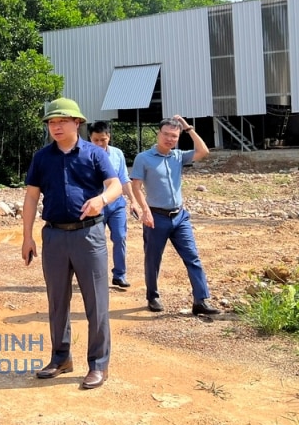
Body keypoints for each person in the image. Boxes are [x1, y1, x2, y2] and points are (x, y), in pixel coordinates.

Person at [21, 98, 122, 389]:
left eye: (61, 121)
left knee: (96, 303)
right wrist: (27, 236)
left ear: (77, 122)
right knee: (57, 301)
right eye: (51, 122)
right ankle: (61, 357)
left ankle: (98, 365)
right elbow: (31, 197)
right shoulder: (42, 158)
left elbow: (114, 186)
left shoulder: (94, 154)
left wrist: (101, 200)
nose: (55, 126)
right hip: (53, 236)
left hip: (88, 236)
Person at [130, 116, 221, 316]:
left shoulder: (178, 156)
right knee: (153, 259)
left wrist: (188, 128)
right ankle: (152, 296)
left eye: (174, 136)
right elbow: (135, 186)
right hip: (156, 217)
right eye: (166, 135)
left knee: (193, 257)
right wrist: (144, 210)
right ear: (158, 134)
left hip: (180, 217)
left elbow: (203, 151)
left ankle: (200, 300)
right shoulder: (143, 158)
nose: (170, 139)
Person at [87, 120, 139, 288]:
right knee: (96, 242)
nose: (100, 144)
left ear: (109, 137)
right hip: (97, 205)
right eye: (96, 140)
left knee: (120, 237)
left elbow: (124, 179)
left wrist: (133, 201)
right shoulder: (85, 155)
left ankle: (119, 274)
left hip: (116, 204)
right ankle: (96, 276)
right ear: (90, 138)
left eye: (103, 139)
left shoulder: (117, 154)